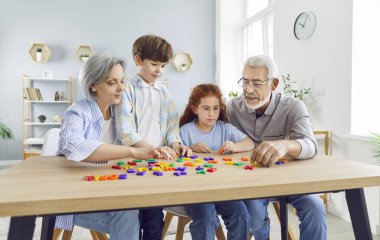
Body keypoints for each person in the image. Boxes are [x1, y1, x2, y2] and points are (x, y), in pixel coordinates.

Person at [57, 53, 159, 239]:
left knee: (152, 204)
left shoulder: (120, 113)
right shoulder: (77, 112)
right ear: (93, 85)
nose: (121, 88)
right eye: (112, 82)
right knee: (128, 212)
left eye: (122, 81)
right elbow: (73, 144)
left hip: (112, 189)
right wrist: (132, 151)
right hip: (79, 197)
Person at [227, 55, 326, 240]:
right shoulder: (232, 108)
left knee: (315, 207)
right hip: (249, 182)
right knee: (254, 212)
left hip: (288, 181)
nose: (248, 90)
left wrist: (286, 144)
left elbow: (311, 145)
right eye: (245, 82)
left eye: (257, 83)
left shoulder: (294, 106)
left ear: (273, 84)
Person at [115, 34, 192, 240]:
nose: (159, 70)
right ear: (138, 60)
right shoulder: (126, 89)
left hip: (157, 163)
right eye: (154, 64)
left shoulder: (163, 91)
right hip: (132, 162)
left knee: (154, 219)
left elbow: (171, 125)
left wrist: (176, 143)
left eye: (163, 66)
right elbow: (125, 130)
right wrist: (150, 149)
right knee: (132, 218)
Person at [179, 84, 253, 240]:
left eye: (216, 108)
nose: (211, 114)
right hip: (195, 191)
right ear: (195, 109)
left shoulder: (225, 128)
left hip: (222, 188)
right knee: (206, 220)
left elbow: (249, 143)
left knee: (241, 215)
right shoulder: (185, 131)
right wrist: (189, 148)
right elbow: (175, 152)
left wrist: (234, 146)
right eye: (205, 108)